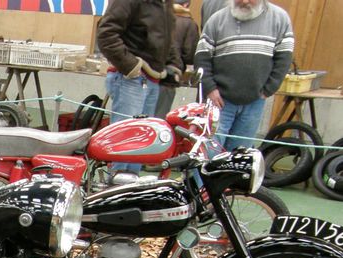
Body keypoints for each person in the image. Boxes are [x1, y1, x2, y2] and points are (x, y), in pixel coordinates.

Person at [194, 0, 293, 150]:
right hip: (219, 101)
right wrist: (210, 89)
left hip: (255, 101)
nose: (244, 1)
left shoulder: (280, 19)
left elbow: (284, 59)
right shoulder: (216, 20)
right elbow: (201, 58)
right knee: (209, 151)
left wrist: (269, 89)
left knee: (239, 153)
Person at [97, 0, 182, 173]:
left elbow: (165, 39)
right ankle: (113, 192)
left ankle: (126, 192)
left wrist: (173, 64)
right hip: (132, 78)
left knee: (141, 145)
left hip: (147, 79)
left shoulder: (164, 3)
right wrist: (131, 65)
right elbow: (106, 33)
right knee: (125, 143)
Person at [154, 0, 198, 118]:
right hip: (170, 75)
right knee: (159, 116)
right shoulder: (189, 24)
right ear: (186, 5)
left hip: (150, 72)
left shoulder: (158, 17)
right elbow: (189, 55)